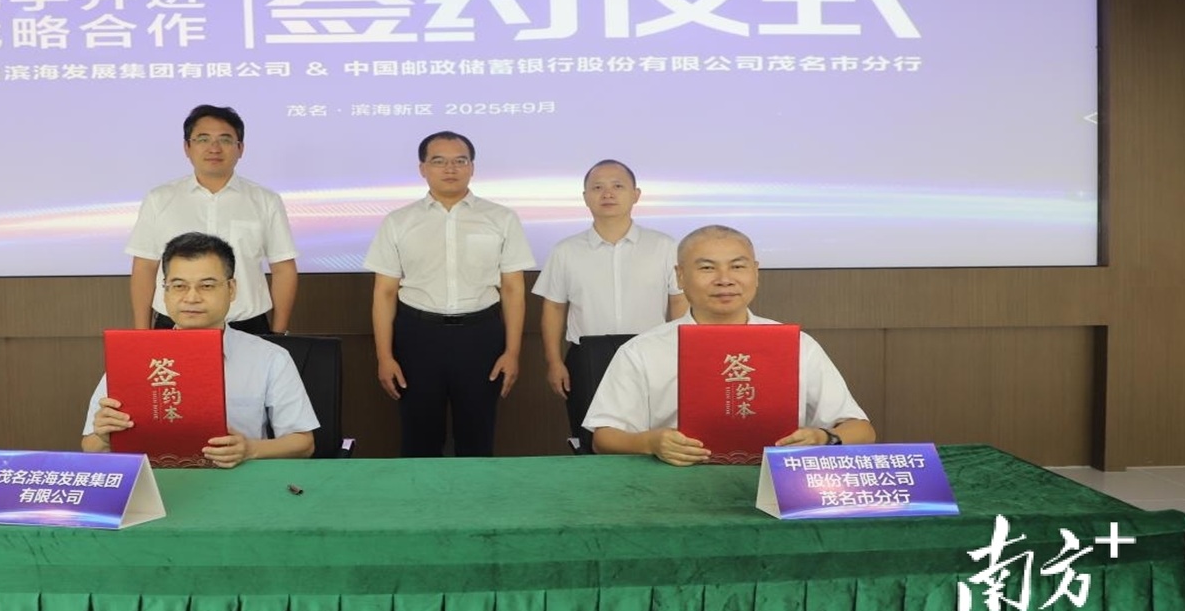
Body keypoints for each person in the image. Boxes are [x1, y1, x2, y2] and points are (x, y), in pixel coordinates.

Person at [583, 224, 876, 465]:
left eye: (737, 266)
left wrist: (823, 438)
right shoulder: (642, 350)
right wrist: (650, 442)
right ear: (680, 276)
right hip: (674, 482)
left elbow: (862, 430)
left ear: (756, 273)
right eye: (707, 268)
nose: (725, 280)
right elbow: (604, 438)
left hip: (776, 483)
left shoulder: (797, 345)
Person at [364, 131, 536, 457]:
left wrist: (512, 352)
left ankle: (475, 492)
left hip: (480, 337)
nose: (450, 169)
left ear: (472, 167)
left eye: (460, 161)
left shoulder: (501, 218)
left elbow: (513, 289)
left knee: (477, 439)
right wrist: (384, 357)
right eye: (439, 161)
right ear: (422, 168)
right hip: (417, 336)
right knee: (419, 440)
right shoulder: (398, 222)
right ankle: (420, 492)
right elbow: (384, 293)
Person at [84, 232, 317, 468]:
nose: (192, 297)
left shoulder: (269, 357)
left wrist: (250, 449)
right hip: (157, 481)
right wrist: (104, 437)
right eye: (179, 286)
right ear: (165, 291)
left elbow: (304, 443)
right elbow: (89, 446)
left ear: (231, 289)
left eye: (206, 286)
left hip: (237, 479)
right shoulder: (132, 357)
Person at [533, 159, 687, 452]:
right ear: (585, 197)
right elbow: (553, 308)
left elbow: (679, 300)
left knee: (650, 435)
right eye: (598, 187)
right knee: (590, 439)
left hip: (650, 352)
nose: (608, 194)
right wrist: (554, 362)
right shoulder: (566, 250)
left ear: (636, 195)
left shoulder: (664, 246)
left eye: (618, 186)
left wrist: (679, 353)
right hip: (588, 355)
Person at [126, 105, 298, 335]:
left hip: (247, 326)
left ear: (240, 148)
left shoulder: (265, 201)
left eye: (225, 140)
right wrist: (142, 334)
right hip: (175, 325)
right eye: (203, 139)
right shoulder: (159, 199)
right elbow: (145, 267)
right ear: (187, 147)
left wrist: (278, 334)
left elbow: (283, 268)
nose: (214, 148)